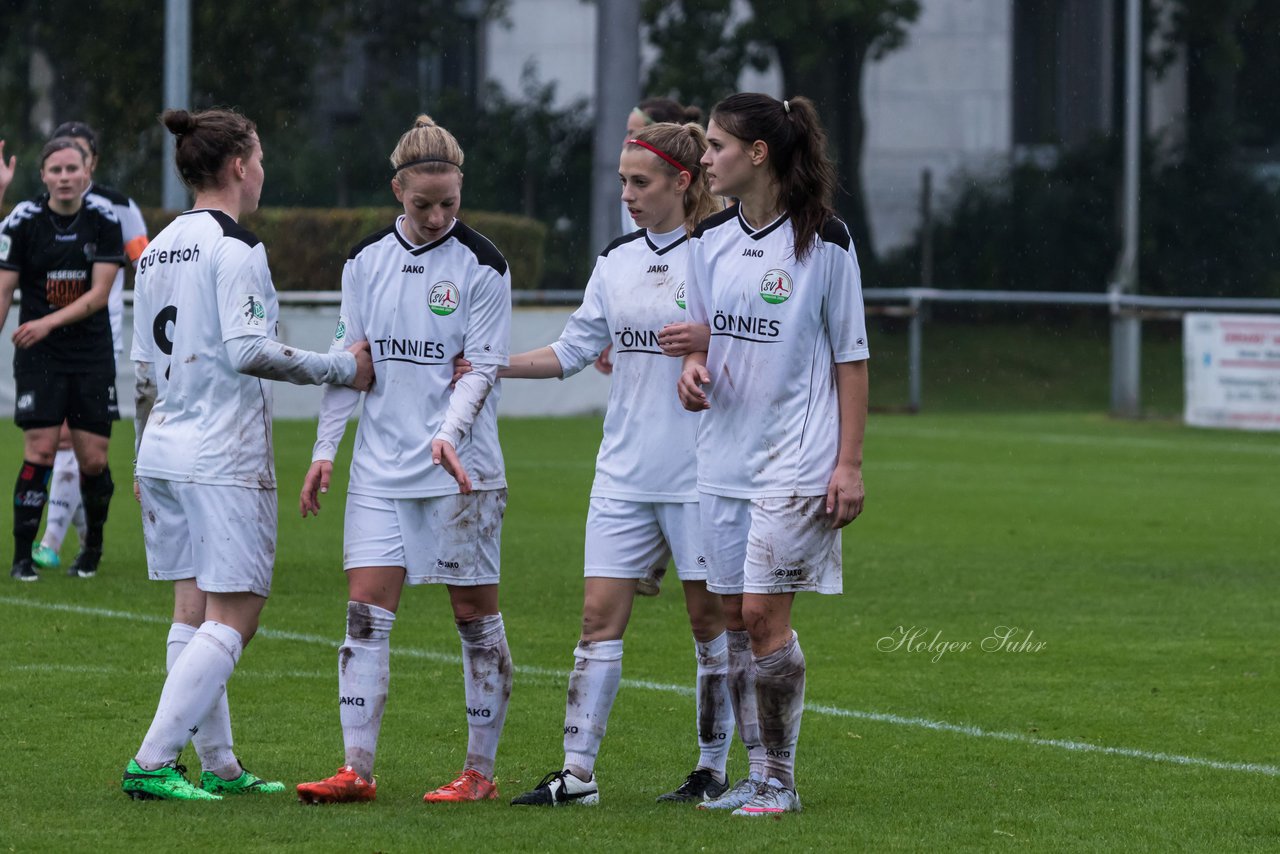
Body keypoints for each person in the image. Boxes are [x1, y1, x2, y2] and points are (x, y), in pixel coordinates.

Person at [123, 107, 373, 801]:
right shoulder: (237, 248)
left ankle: (222, 766)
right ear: (238, 165)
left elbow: (140, 364)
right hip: (222, 453)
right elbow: (248, 350)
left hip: (166, 448)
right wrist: (337, 366)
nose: (263, 172)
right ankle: (152, 761)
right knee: (236, 615)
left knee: (193, 609)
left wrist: (143, 451)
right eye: (258, 159)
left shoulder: (160, 246)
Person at [508, 122, 735, 807]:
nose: (628, 195)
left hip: (702, 474)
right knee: (595, 621)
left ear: (682, 182)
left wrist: (710, 342)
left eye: (642, 182)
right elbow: (574, 349)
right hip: (623, 474)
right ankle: (577, 775)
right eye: (622, 181)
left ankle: (712, 770)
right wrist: (492, 366)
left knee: (710, 626)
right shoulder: (615, 260)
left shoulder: (720, 254)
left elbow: (765, 344)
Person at [295, 115, 514, 806]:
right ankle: (356, 770)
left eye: (449, 203)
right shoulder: (364, 262)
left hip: (461, 468)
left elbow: (480, 369)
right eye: (423, 205)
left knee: (474, 616)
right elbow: (350, 365)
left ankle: (478, 773)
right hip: (381, 470)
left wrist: (449, 432)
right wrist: (325, 451)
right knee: (364, 615)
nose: (438, 216)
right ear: (398, 190)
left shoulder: (484, 265)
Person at [676, 93, 870, 817]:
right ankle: (755, 777)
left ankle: (781, 782)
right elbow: (705, 338)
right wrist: (691, 371)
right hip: (722, 455)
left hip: (799, 457)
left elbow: (852, 358)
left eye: (719, 146)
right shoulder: (708, 241)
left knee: (761, 616)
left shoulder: (826, 242)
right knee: (733, 621)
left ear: (758, 154)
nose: (707, 159)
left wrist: (848, 464)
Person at [0, 138, 123, 582]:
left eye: (72, 168)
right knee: (41, 451)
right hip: (40, 358)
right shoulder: (25, 222)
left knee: (93, 459)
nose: (65, 177)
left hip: (91, 355)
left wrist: (48, 322)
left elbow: (99, 296)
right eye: (56, 170)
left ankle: (91, 548)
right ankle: (21, 558)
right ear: (44, 176)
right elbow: (3, 291)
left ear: (86, 173)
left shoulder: (105, 221)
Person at [31, 121, 151, 576]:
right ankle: (75, 539)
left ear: (91, 163)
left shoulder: (118, 207)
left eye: (77, 156)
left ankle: (53, 541)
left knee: (75, 444)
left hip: (99, 340)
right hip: (46, 342)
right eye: (59, 158)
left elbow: (145, 261)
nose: (69, 170)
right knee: (70, 445)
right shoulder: (39, 212)